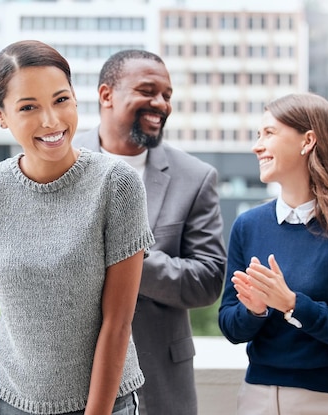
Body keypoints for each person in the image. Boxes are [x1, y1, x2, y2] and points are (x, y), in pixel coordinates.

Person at [0, 40, 154, 415]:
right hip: (9, 401)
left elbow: (118, 320)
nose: (51, 121)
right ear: (0, 116)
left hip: (105, 405)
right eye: (28, 107)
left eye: (61, 100)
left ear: (76, 99)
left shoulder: (116, 184)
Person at [73, 50, 227, 415]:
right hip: (71, 378)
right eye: (147, 91)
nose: (160, 104)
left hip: (160, 384)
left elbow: (208, 280)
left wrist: (127, 258)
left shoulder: (195, 177)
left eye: (167, 95)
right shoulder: (62, 160)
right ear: (106, 95)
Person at [218, 92, 328, 415]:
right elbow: (229, 324)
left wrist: (293, 305)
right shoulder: (247, 226)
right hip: (258, 397)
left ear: (307, 140)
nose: (257, 146)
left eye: (269, 133)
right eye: (258, 135)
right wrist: (254, 311)